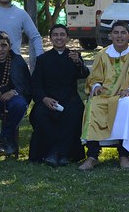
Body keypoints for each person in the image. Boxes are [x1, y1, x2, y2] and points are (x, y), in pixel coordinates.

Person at [79, 21, 129, 170]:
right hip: (105, 95)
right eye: (116, 33)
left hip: (127, 95)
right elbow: (94, 77)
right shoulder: (103, 54)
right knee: (93, 103)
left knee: (128, 104)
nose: (119, 36)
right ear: (110, 35)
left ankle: (124, 154)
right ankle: (92, 155)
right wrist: (97, 86)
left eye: (123, 33)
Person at [29, 24, 89, 167]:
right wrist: (44, 98)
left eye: (62, 34)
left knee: (74, 113)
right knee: (40, 115)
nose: (59, 38)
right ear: (50, 38)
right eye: (55, 35)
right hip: (48, 99)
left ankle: (59, 154)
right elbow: (36, 84)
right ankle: (55, 154)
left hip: (70, 98)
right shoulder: (43, 59)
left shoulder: (74, 56)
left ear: (67, 38)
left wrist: (77, 62)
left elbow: (84, 74)